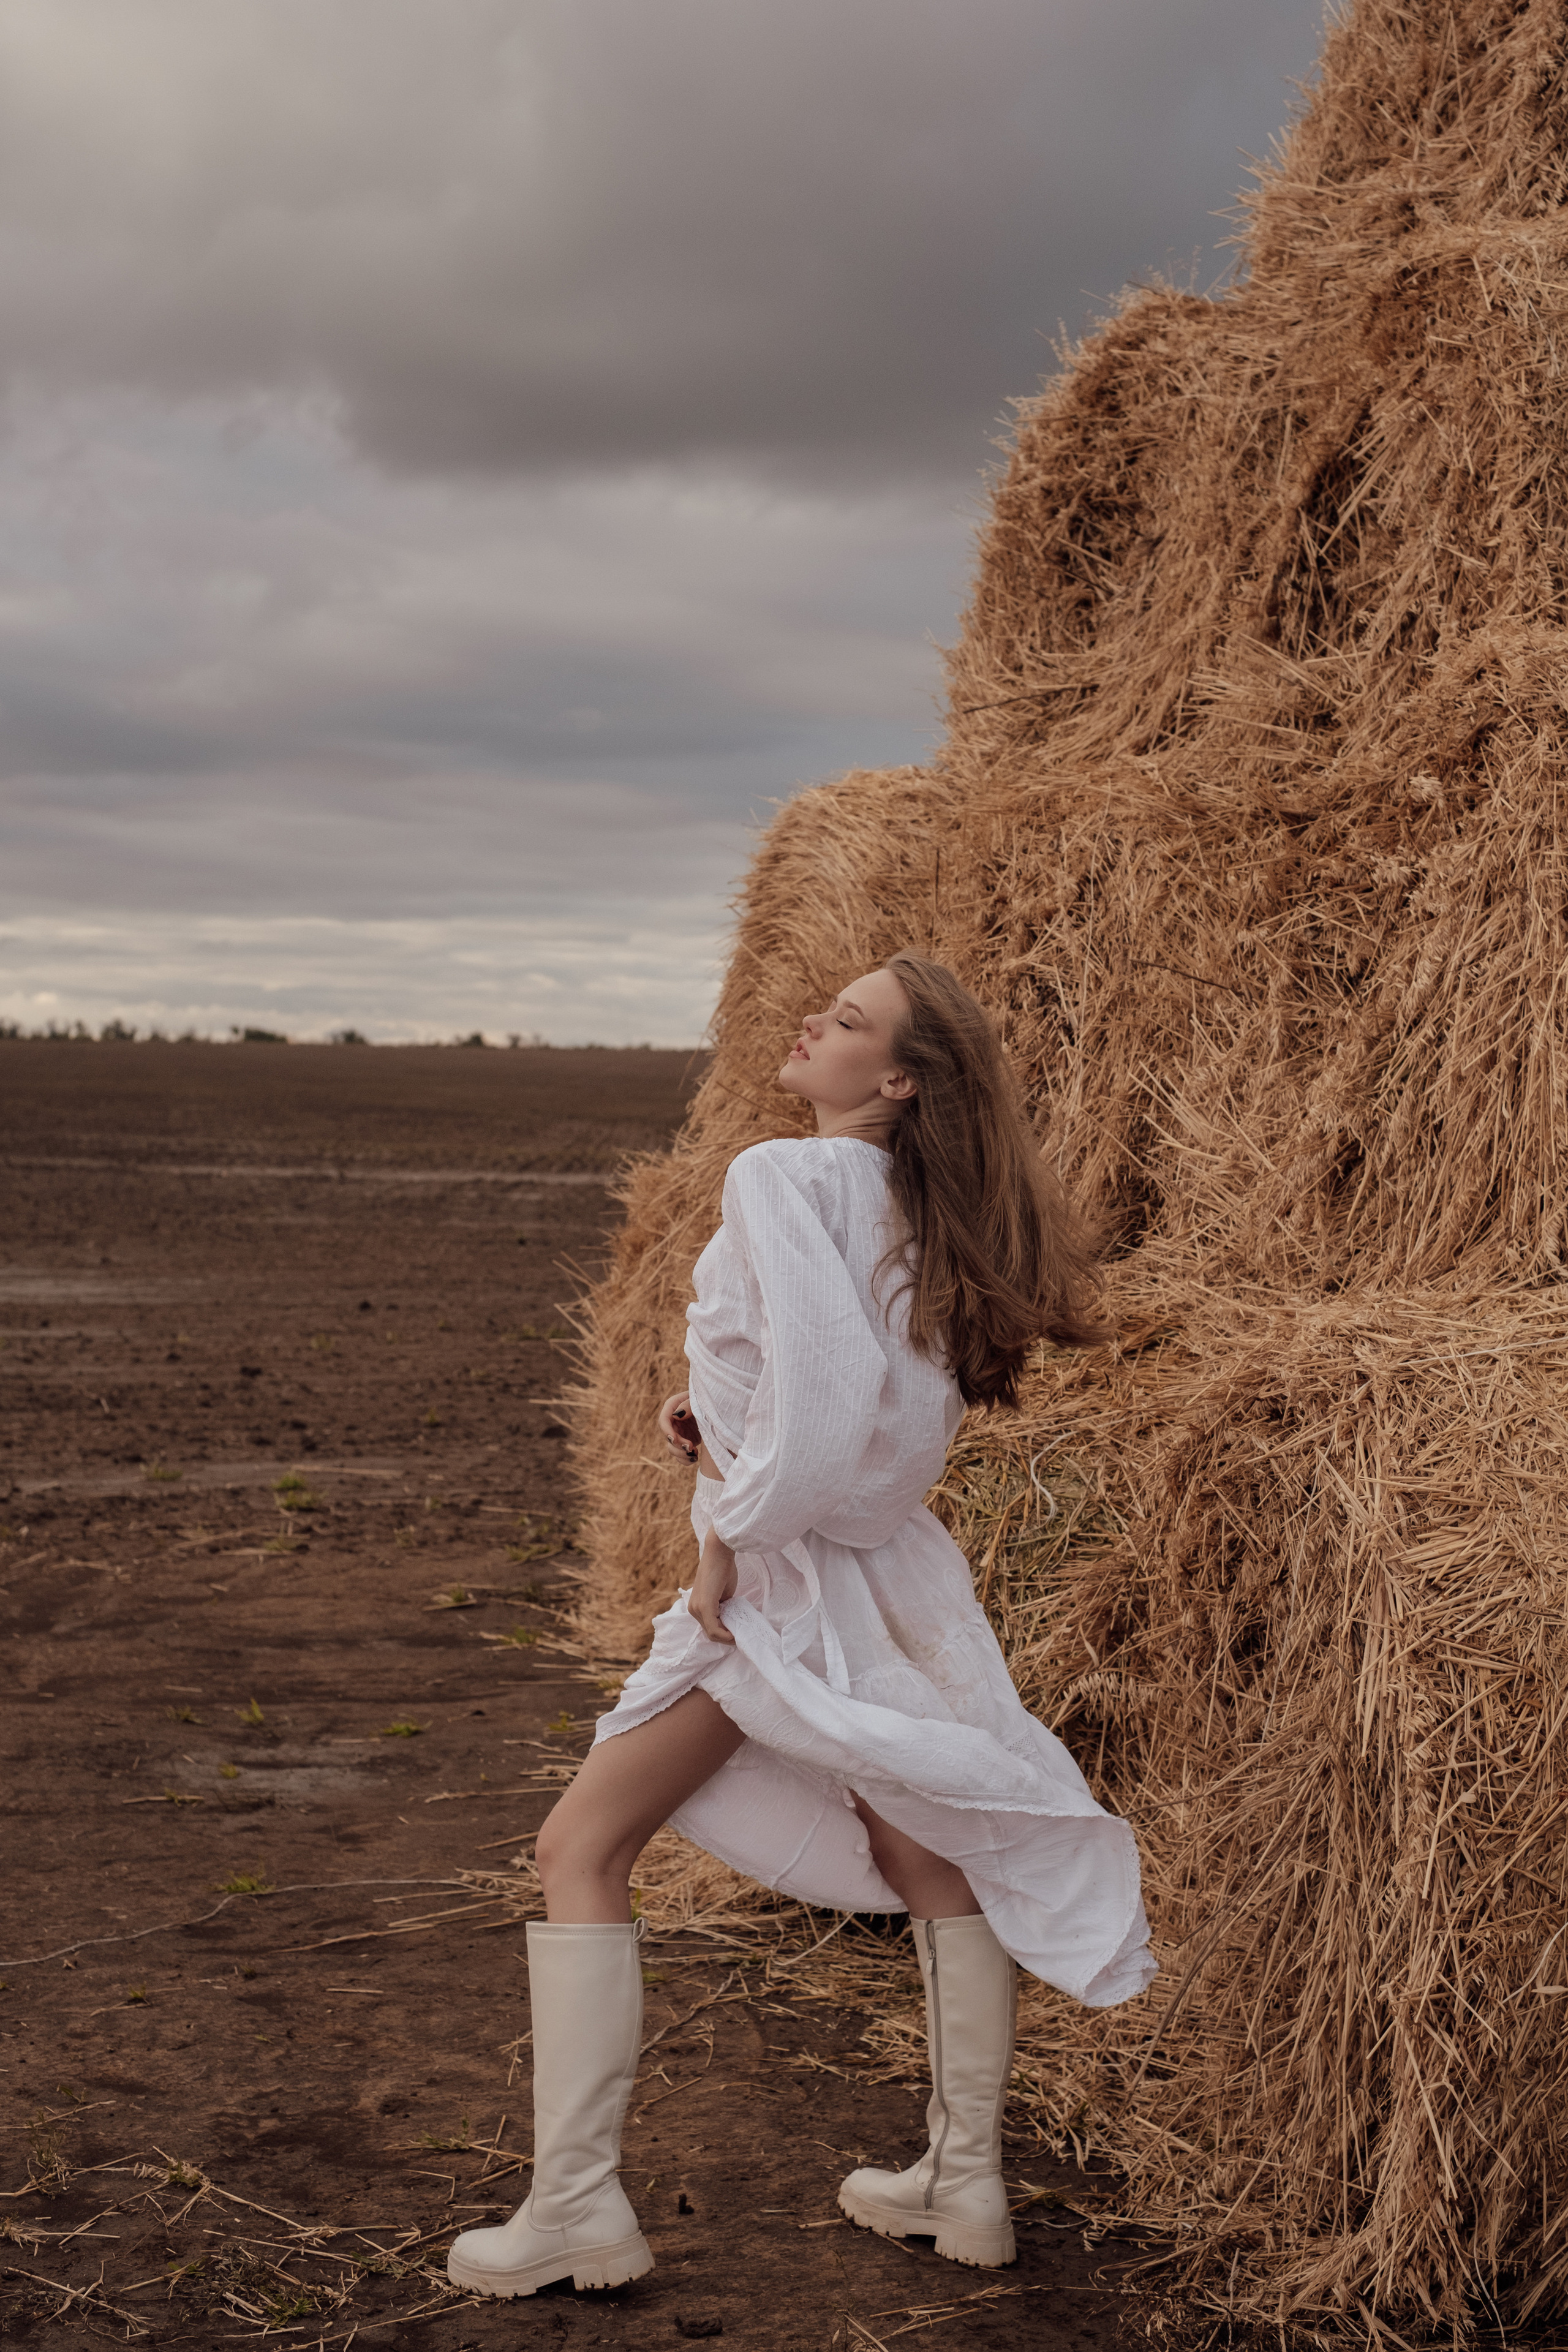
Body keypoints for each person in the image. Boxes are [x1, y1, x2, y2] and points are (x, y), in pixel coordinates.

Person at [447, 952, 1156, 2301]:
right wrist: (713, 1425)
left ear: (892, 1081)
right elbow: (858, 1410)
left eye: (844, 1022)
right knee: (924, 1846)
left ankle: (576, 2208)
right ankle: (962, 2183)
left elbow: (816, 1431)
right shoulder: (927, 1210)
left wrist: (725, 1535)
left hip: (775, 1587)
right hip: (886, 1575)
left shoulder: (784, 1177)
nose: (808, 1026)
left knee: (580, 1846)